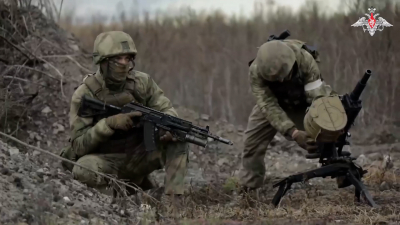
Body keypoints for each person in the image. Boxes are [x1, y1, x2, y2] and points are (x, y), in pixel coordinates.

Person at [59, 31, 188, 210]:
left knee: (179, 139)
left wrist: (168, 127)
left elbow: (166, 109)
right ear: (103, 62)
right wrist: (108, 124)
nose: (124, 64)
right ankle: (118, 205)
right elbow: (78, 145)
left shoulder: (142, 83)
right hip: (105, 161)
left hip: (139, 156)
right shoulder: (85, 94)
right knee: (83, 169)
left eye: (128, 58)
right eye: (118, 59)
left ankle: (173, 205)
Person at [238, 38, 338, 198]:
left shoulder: (305, 59)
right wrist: (293, 133)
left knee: (331, 121)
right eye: (276, 79)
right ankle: (249, 192)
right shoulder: (255, 71)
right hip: (274, 102)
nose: (281, 81)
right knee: (252, 143)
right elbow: (268, 106)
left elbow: (317, 98)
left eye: (284, 76)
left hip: (303, 99)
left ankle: (342, 172)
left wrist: (319, 128)